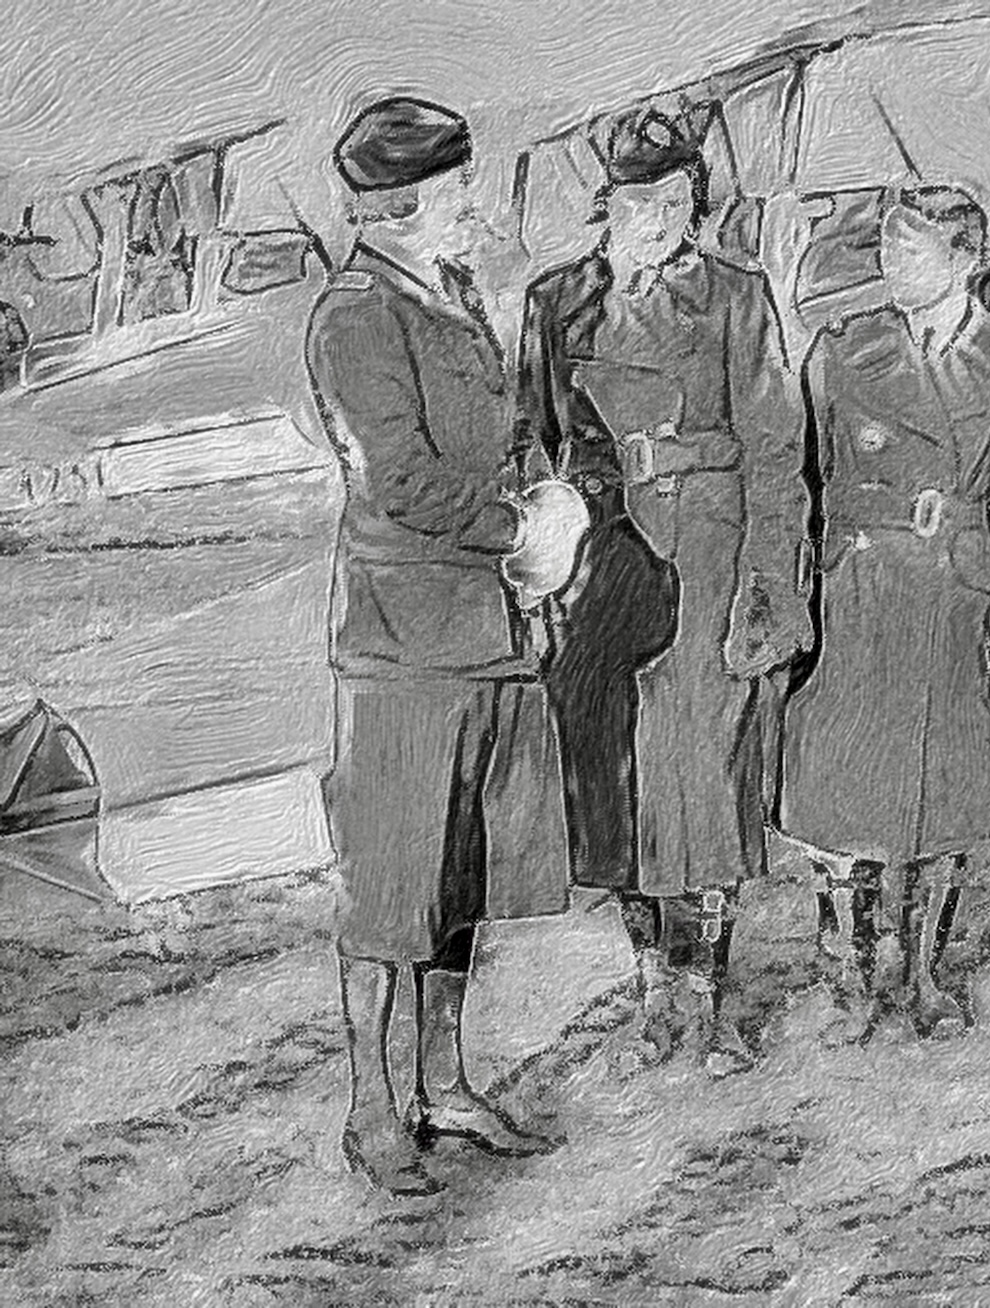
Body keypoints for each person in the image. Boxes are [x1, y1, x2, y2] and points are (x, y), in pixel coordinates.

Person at [309, 95, 568, 1194]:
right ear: (408, 202)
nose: (475, 203)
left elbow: (490, 444)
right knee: (387, 889)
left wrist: (536, 528)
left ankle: (444, 1084)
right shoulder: (357, 314)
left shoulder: (449, 293)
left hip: (486, 631)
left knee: (461, 874)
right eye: (460, 187)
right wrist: (525, 531)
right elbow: (404, 483)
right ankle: (374, 1110)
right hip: (406, 645)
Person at [518, 108, 811, 1077]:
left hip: (708, 555)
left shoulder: (736, 294)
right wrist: (538, 565)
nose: (661, 218)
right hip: (603, 565)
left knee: (706, 782)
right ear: (608, 204)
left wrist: (771, 586)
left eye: (679, 201)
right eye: (642, 200)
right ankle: (654, 994)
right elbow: (530, 444)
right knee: (614, 789)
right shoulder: (557, 299)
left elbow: (776, 449)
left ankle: (712, 999)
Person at [780, 184, 990, 1040]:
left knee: (951, 793)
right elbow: (802, 476)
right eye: (886, 251)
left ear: (964, 259)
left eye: (910, 251)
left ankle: (930, 970)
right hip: (860, 590)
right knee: (846, 789)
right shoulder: (841, 350)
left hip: (958, 589)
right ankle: (851, 975)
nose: (890, 266)